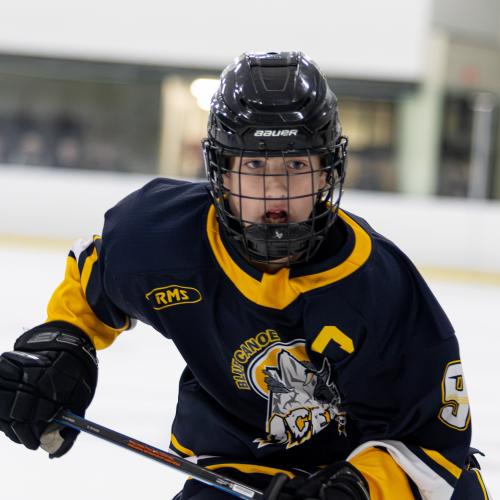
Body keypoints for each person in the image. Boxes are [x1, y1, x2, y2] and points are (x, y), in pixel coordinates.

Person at [0, 52, 490, 499]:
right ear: (221, 170)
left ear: (327, 172)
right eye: (254, 163)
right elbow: (96, 277)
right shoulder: (159, 236)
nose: (274, 192)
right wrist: (63, 347)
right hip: (236, 467)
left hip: (363, 473)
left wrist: (356, 489)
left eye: (296, 164)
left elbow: (434, 443)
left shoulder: (381, 285)